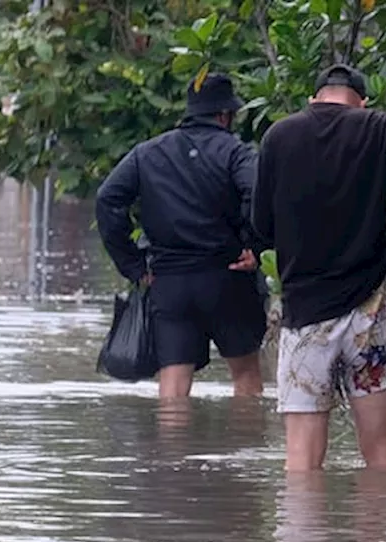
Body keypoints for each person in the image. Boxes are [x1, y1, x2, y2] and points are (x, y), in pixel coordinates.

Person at [252, 64, 386, 472]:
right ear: (363, 102)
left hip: (304, 316)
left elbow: (261, 228)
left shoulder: (278, 135)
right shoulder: (383, 126)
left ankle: (304, 536)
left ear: (313, 99)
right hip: (369, 312)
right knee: (382, 451)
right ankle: (379, 537)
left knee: (300, 457)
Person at [95, 73, 267, 400]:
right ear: (225, 115)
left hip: (168, 282)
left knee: (172, 383)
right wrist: (255, 247)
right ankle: (247, 448)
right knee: (246, 376)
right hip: (226, 278)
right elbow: (260, 192)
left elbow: (107, 199)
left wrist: (132, 265)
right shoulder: (236, 152)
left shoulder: (147, 152)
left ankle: (173, 450)